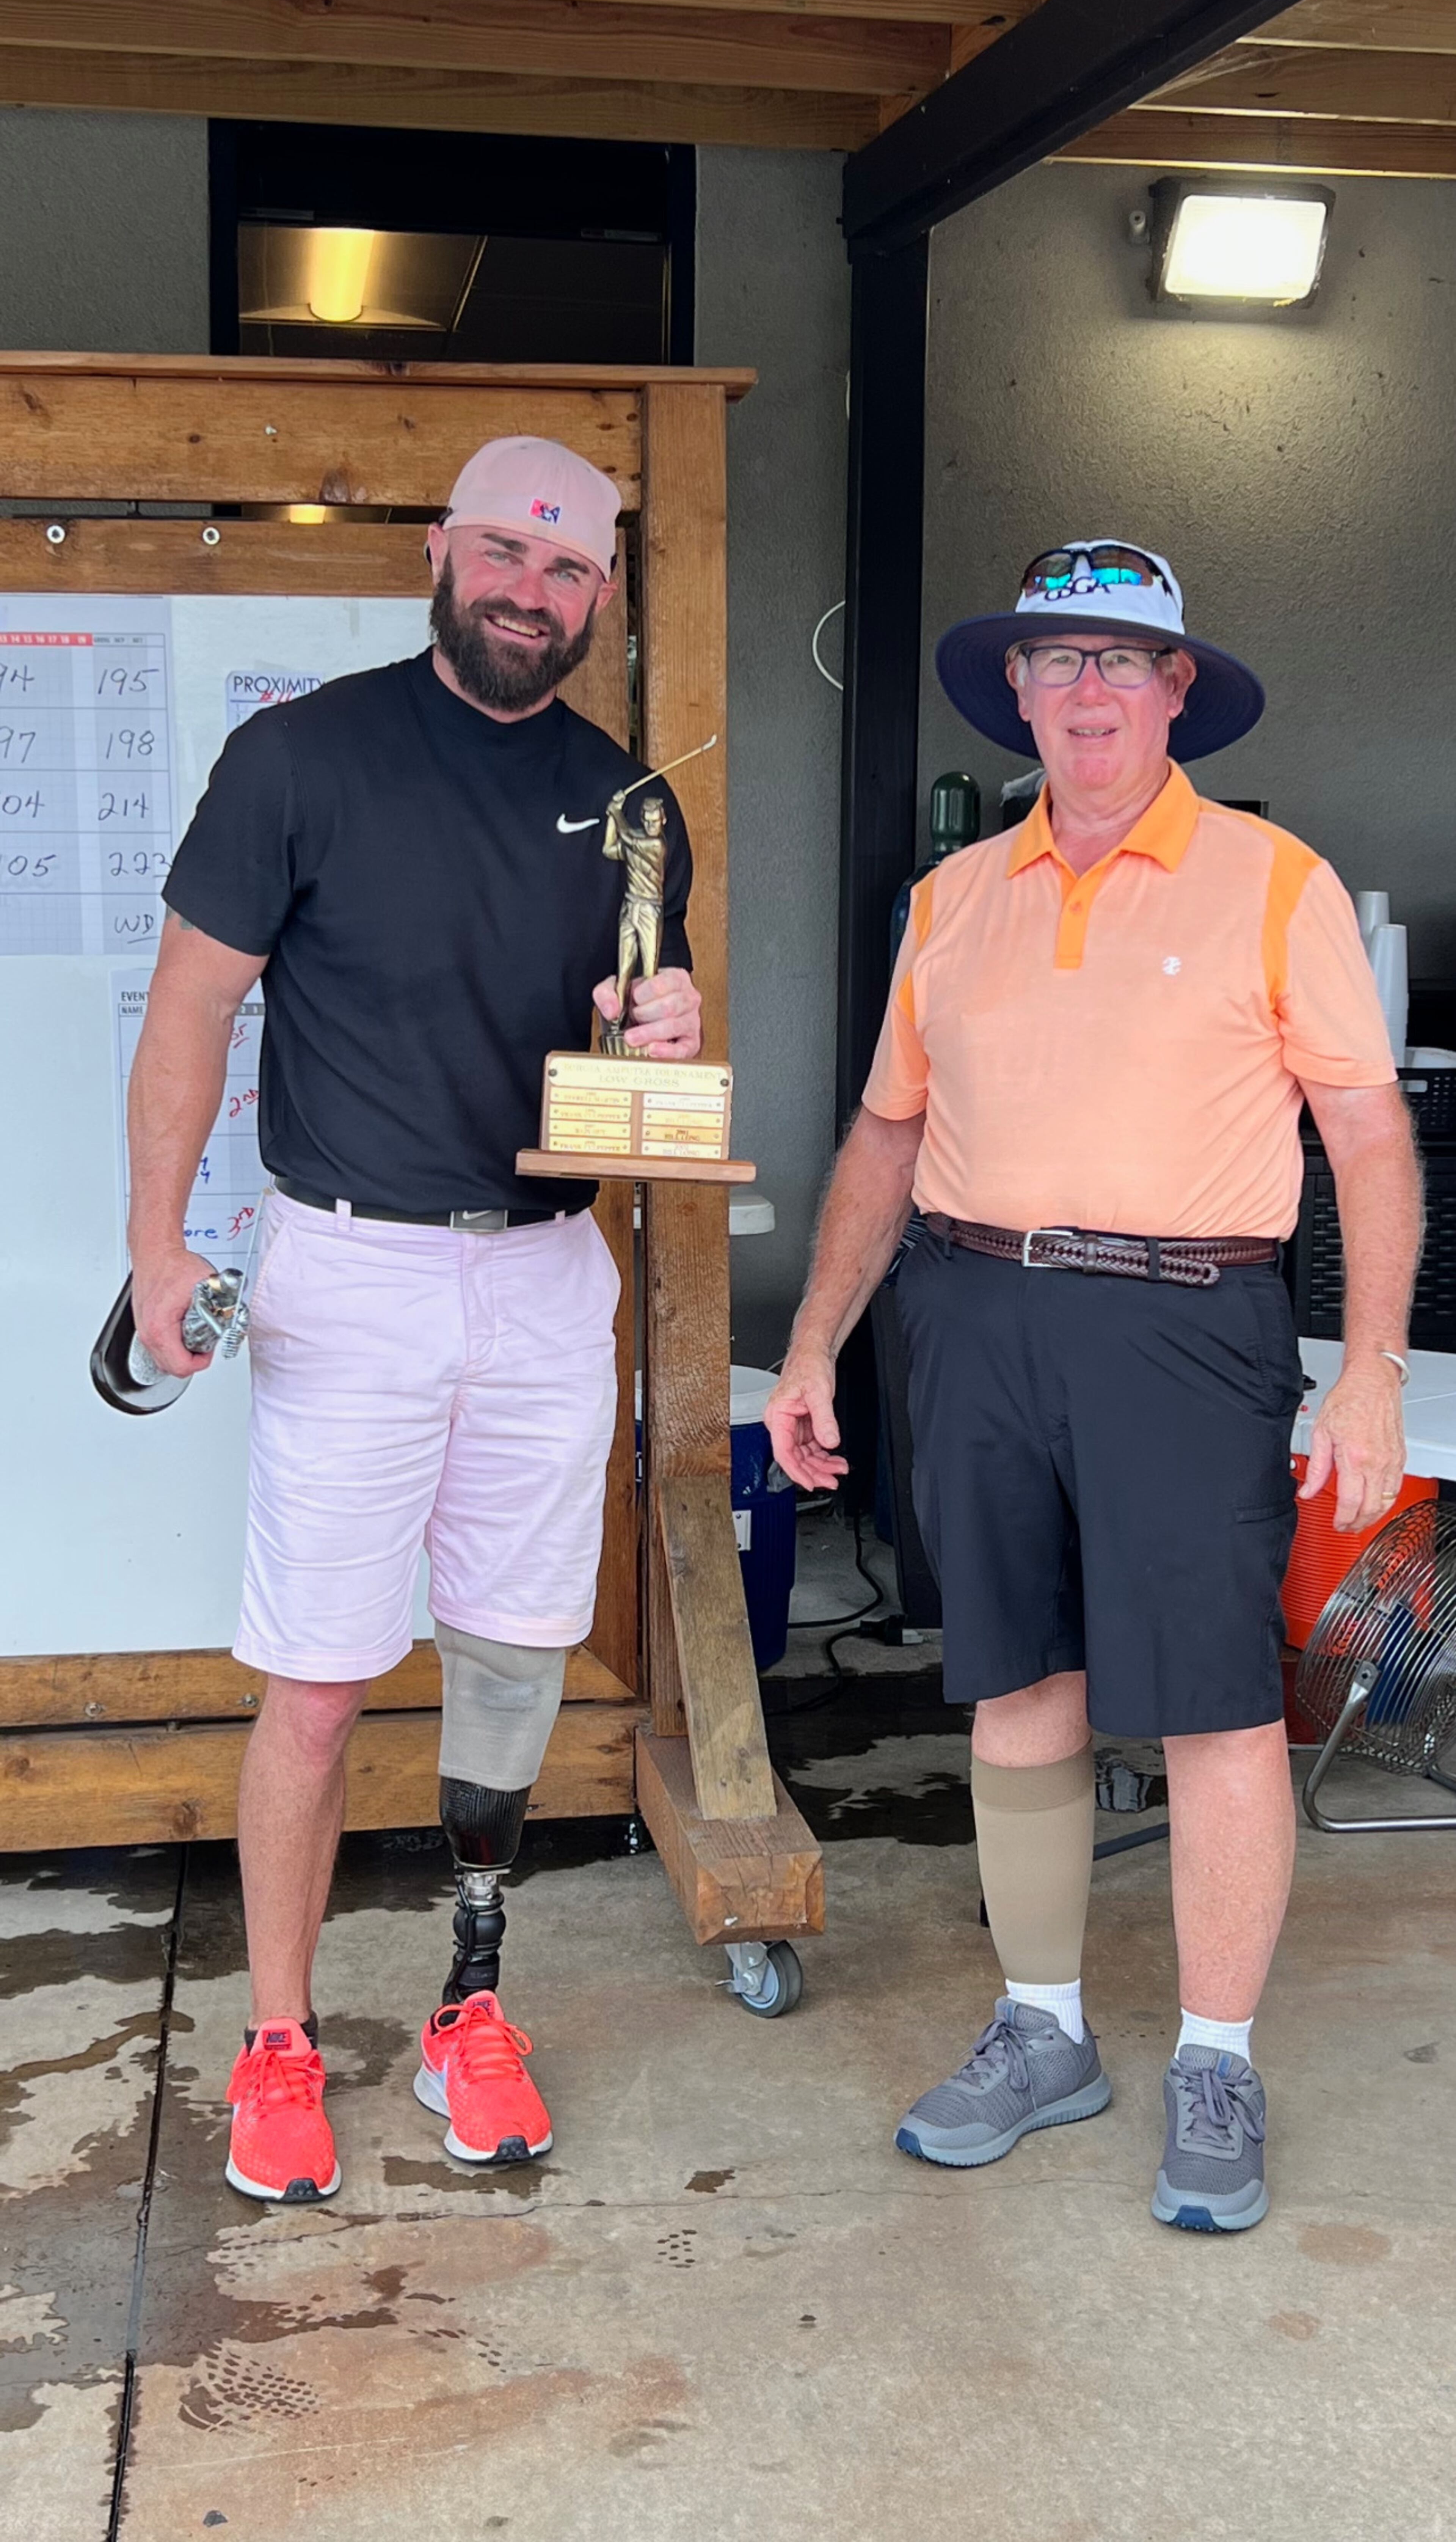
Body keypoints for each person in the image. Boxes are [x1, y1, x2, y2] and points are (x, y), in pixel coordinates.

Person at [767, 540, 1419, 2232]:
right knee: (1016, 1685)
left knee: (1210, 1704)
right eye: (1056, 663)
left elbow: (1366, 1130)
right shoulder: (952, 901)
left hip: (1187, 1321)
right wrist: (820, 1337)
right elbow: (889, 1133)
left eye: (1123, 663)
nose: (1089, 693)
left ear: (1178, 688)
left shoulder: (1275, 881)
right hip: (973, 1314)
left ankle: (1216, 2054)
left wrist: (1360, 1371)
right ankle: (1044, 2026)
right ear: (1019, 697)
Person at [128, 436, 702, 2201]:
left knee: (515, 1662)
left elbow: (613, 1049)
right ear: (441, 554)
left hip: (544, 1271)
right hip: (349, 1266)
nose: (532, 594)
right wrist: (160, 1249)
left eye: (570, 572)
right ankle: (281, 2042)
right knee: (315, 1680)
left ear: (601, 599)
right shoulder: (301, 754)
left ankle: (472, 2005)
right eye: (505, 557)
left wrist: (656, 1037)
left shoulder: (631, 805)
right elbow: (190, 1011)